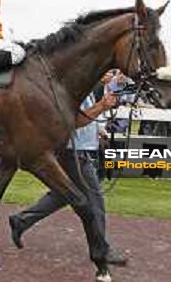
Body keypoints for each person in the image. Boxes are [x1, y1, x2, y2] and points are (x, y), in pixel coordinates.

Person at [8, 91, 128, 266]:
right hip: (74, 152)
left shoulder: (86, 89)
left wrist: (97, 128)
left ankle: (22, 220)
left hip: (77, 150)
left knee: (62, 195)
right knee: (94, 201)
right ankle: (102, 249)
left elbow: (85, 118)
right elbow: (74, 121)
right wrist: (102, 105)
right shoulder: (73, 88)